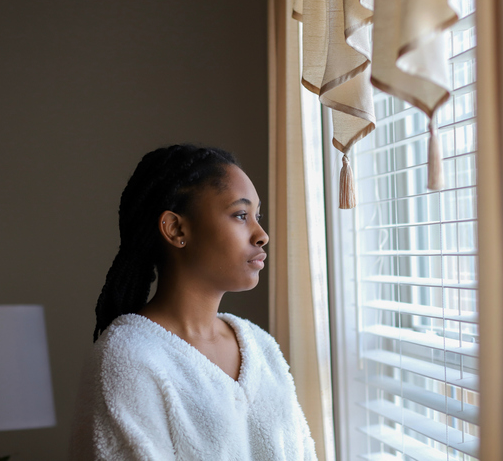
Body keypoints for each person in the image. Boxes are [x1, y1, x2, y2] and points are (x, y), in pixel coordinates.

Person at [69, 145, 317, 460]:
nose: (261, 234)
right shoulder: (129, 357)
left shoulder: (261, 346)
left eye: (257, 215)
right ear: (176, 228)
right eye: (241, 215)